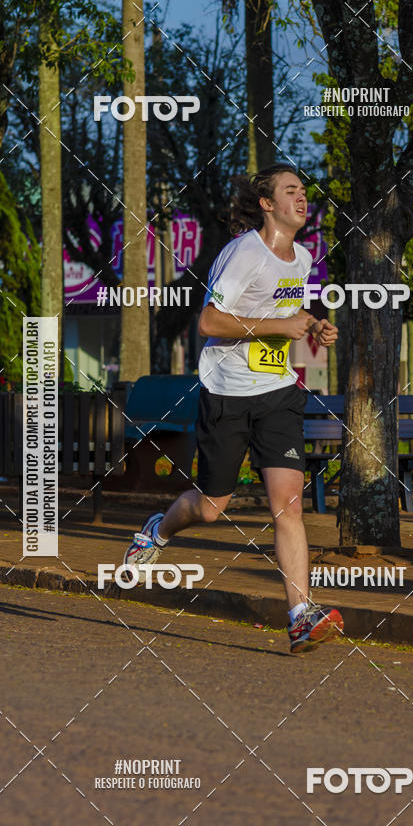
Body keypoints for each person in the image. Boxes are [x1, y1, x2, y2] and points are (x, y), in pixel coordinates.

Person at [123, 163, 344, 653]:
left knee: (288, 505)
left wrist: (312, 326)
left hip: (278, 394)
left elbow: (281, 315)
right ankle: (158, 530)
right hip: (226, 394)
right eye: (291, 191)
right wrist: (276, 329)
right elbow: (208, 321)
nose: (302, 199)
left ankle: (300, 614)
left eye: (304, 192)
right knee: (211, 507)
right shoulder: (244, 253)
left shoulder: (303, 257)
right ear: (268, 204)